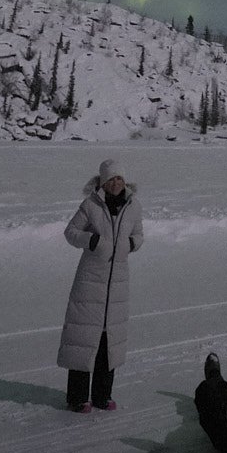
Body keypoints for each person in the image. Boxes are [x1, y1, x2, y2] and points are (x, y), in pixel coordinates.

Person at [58, 158, 144, 411]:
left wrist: (130, 245)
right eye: (111, 179)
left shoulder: (133, 206)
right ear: (102, 182)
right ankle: (77, 398)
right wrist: (92, 241)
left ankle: (102, 396)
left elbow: (139, 235)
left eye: (119, 178)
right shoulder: (91, 205)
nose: (116, 183)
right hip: (90, 280)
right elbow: (70, 232)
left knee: (109, 341)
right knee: (84, 339)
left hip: (117, 282)